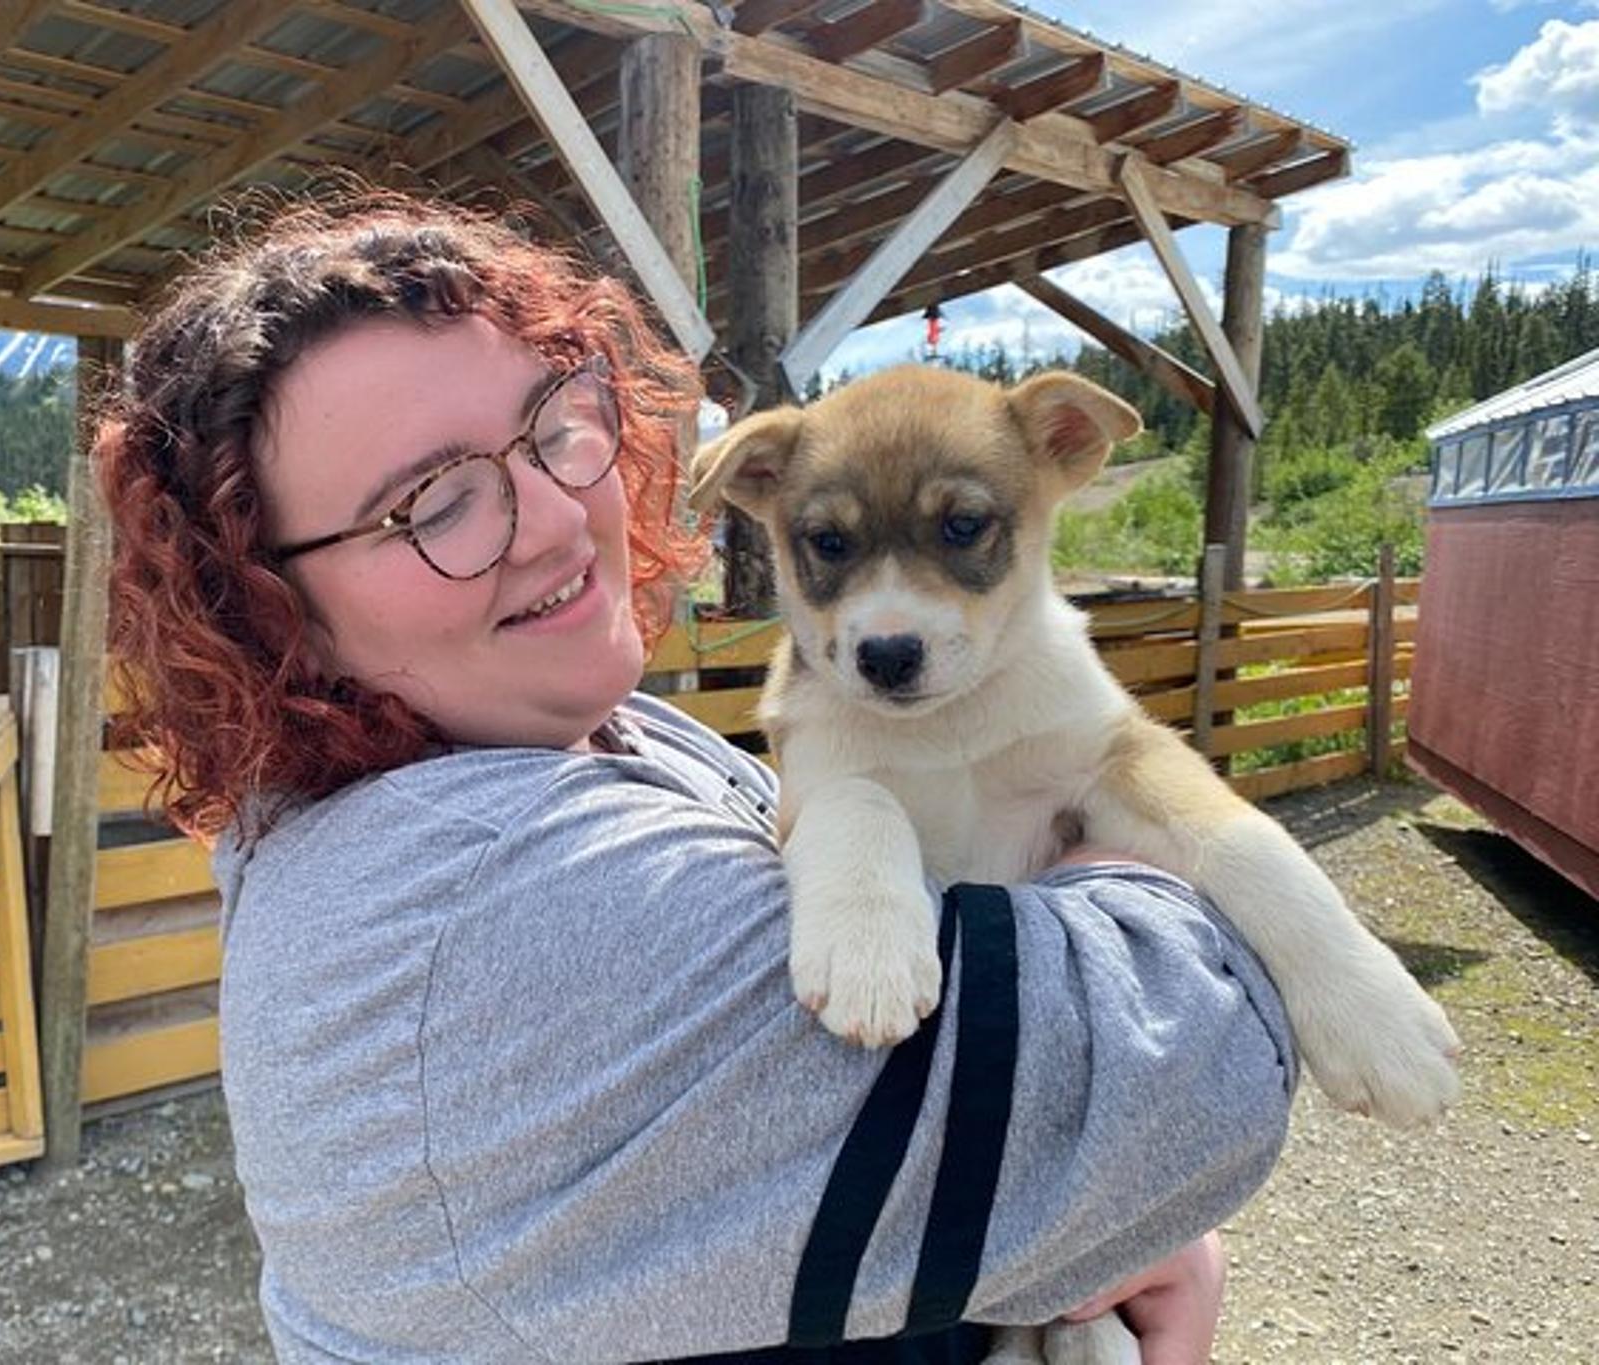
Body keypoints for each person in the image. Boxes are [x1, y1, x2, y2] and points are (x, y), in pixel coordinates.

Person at [93, 190, 1295, 1365]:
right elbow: (1188, 1082)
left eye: (555, 423)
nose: (557, 520)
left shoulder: (587, 735)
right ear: (266, 609)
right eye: (433, 503)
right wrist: (1102, 842)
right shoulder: (501, 898)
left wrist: (1093, 1239)